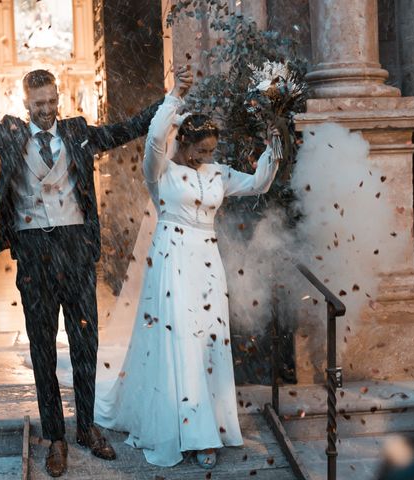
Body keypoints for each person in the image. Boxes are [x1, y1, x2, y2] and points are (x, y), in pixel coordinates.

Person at [0, 24, 172, 478]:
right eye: (38, 105)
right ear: (26, 104)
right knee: (42, 347)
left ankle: (86, 428)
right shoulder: (9, 136)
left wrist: (169, 100)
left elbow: (128, 128)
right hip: (34, 254)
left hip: (77, 251)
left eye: (51, 103)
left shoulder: (80, 133)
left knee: (86, 344)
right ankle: (56, 438)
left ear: (59, 99)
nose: (46, 111)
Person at [94, 66, 280, 469]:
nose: (206, 157)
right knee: (180, 339)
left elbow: (259, 183)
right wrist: (175, 94)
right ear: (184, 143)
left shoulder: (217, 173)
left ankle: (211, 422)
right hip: (171, 258)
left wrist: (274, 140)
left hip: (208, 261)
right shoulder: (160, 172)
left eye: (212, 150)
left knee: (210, 340)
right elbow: (155, 141)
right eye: (201, 150)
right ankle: (190, 434)